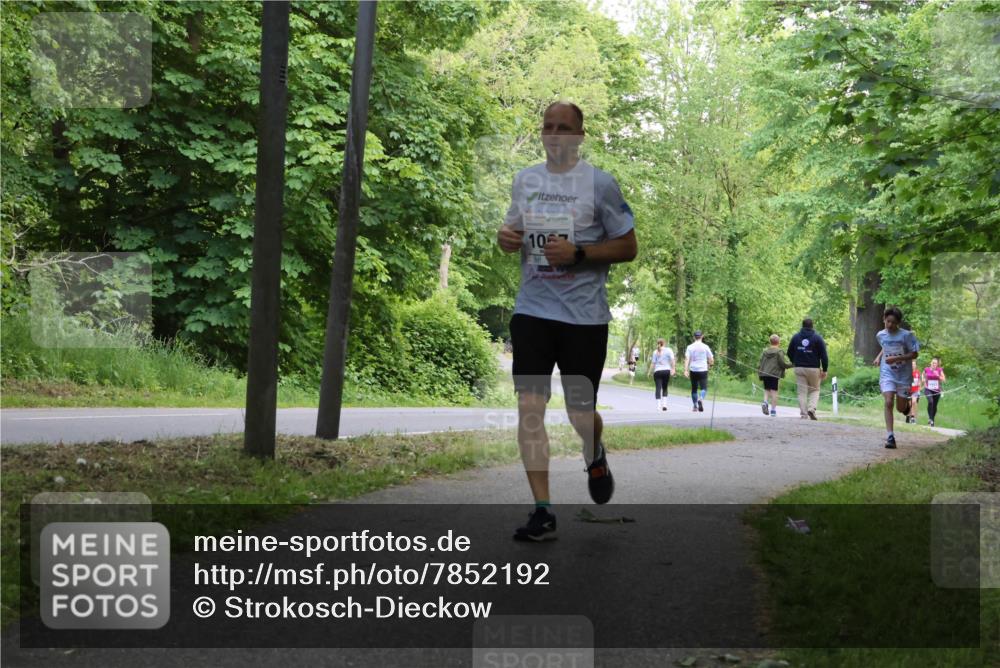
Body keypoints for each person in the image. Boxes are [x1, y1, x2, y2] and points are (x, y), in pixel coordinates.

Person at [497, 101, 638, 541]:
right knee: (530, 411)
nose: (554, 133)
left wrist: (580, 253)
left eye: (564, 127)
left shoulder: (600, 185)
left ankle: (593, 452)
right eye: (548, 126)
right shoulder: (526, 180)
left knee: (580, 413)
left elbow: (628, 246)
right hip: (533, 311)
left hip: (584, 318)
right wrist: (505, 237)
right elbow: (512, 234)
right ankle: (543, 510)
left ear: (579, 135)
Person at [873, 306, 920, 449]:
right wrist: (879, 357)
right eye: (888, 321)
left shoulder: (907, 336)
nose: (890, 325)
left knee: (900, 408)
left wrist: (897, 358)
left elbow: (914, 354)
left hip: (903, 375)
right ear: (884, 320)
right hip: (887, 372)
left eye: (893, 322)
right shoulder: (880, 335)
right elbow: (885, 346)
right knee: (888, 402)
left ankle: (906, 407)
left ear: (898, 323)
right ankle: (890, 436)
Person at [787, 318, 829, 420]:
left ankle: (804, 414)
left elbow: (789, 352)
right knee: (815, 389)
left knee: (802, 392)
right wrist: (825, 369)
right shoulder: (817, 338)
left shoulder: (796, 337)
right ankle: (812, 408)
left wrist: (795, 362)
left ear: (802, 325)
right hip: (813, 368)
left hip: (799, 368)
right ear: (812, 326)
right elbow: (824, 355)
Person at [757, 334, 793, 417]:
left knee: (766, 390)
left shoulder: (765, 352)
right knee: (774, 392)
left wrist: (760, 371)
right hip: (774, 374)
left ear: (770, 342)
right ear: (778, 342)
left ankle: (765, 402)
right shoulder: (779, 352)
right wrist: (792, 365)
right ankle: (773, 411)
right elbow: (782, 363)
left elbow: (760, 362)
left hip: (765, 373)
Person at [683, 331, 714, 412]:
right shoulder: (705, 346)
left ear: (694, 337)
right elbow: (711, 359)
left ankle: (695, 406)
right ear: (702, 336)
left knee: (694, 389)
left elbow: (687, 359)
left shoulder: (689, 347)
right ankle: (701, 398)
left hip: (693, 369)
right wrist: (710, 365)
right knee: (704, 387)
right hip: (703, 369)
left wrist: (686, 370)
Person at [648, 338, 676, 411]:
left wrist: (649, 372)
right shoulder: (669, 350)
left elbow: (653, 363)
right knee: (665, 387)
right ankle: (664, 405)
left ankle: (658, 406)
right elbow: (672, 360)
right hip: (666, 371)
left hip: (657, 371)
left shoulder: (655, 352)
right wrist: (673, 369)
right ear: (664, 343)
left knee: (658, 388)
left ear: (658, 343)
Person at [922, 356, 946, 426]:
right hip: (928, 389)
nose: (934, 364)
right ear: (930, 363)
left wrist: (938, 376)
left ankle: (932, 420)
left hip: (936, 390)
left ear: (937, 364)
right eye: (933, 363)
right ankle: (930, 418)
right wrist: (923, 380)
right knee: (930, 402)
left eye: (935, 363)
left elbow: (944, 380)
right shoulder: (926, 369)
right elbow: (923, 375)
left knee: (934, 405)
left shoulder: (939, 370)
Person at [907, 359, 921, 424]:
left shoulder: (917, 372)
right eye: (912, 364)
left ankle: (913, 418)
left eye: (914, 364)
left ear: (916, 365)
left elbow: (919, 380)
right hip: (909, 391)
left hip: (915, 391)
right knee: (910, 405)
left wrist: (919, 387)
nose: (913, 366)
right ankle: (909, 416)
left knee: (914, 402)